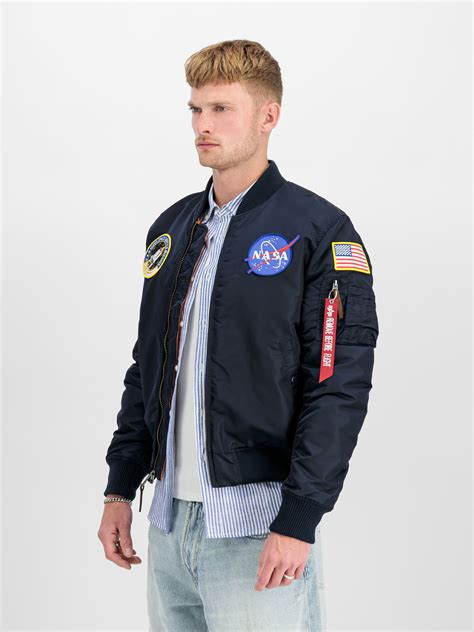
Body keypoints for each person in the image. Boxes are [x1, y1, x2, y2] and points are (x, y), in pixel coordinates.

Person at [97, 39, 379, 631]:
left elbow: (337, 386)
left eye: (222, 109)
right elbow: (147, 368)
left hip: (259, 530)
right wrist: (120, 488)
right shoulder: (172, 228)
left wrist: (299, 518)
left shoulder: (319, 231)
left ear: (268, 116)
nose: (203, 125)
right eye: (196, 109)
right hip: (169, 525)